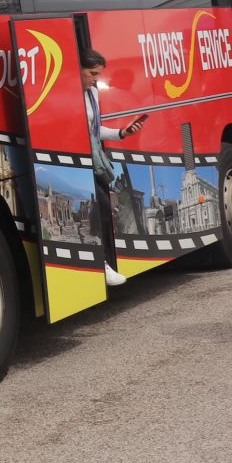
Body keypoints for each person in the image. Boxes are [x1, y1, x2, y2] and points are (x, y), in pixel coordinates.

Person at [81, 49, 147, 286]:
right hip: (78, 159)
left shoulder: (92, 94)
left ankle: (103, 262)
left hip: (94, 160)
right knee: (102, 207)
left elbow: (96, 131)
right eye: (91, 73)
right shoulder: (67, 95)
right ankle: (100, 263)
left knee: (106, 209)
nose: (95, 78)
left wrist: (121, 133)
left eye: (97, 74)